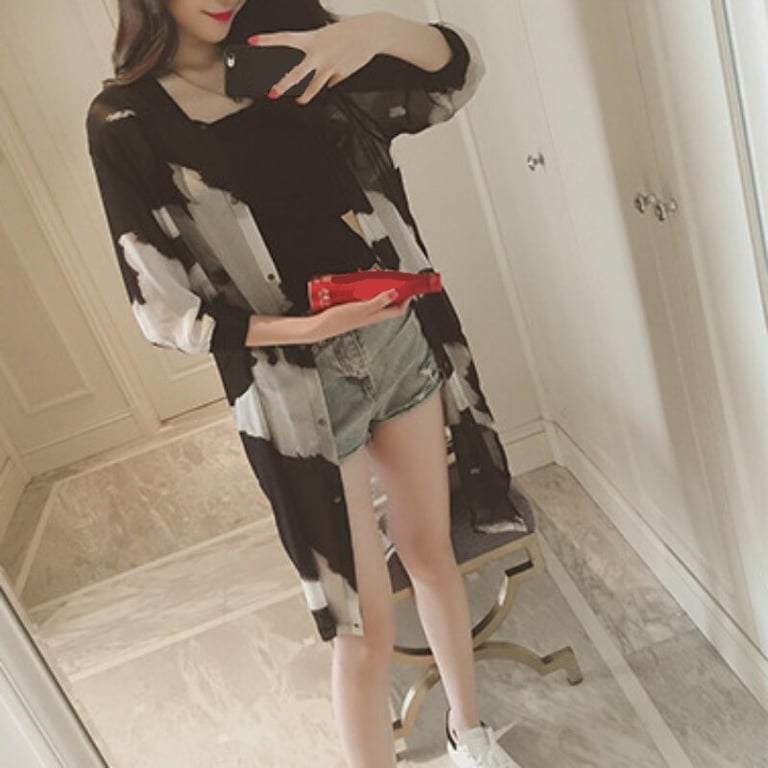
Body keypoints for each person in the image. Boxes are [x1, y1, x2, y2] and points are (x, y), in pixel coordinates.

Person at [85, 1, 535, 766]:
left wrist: (371, 32)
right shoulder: (126, 119)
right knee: (363, 628)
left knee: (431, 554)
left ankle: (472, 737)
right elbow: (163, 310)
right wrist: (303, 331)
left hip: (396, 340)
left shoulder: (289, 43)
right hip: (293, 390)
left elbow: (453, 78)